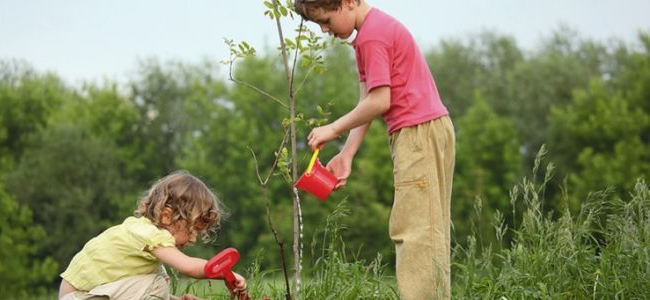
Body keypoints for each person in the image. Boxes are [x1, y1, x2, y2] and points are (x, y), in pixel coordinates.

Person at [294, 0, 455, 299]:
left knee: (416, 231)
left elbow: (381, 101)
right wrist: (348, 153)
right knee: (429, 227)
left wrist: (333, 129)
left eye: (326, 21)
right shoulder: (369, 34)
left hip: (417, 133)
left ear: (348, 3)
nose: (325, 30)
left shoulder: (372, 36)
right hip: (426, 129)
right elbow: (367, 101)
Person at [58, 170, 247, 300]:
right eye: (193, 229)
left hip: (82, 295)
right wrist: (224, 274)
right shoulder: (150, 235)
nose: (194, 238)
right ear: (167, 216)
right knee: (157, 283)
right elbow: (188, 267)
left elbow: (128, 289)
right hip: (81, 296)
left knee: (158, 278)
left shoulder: (139, 231)